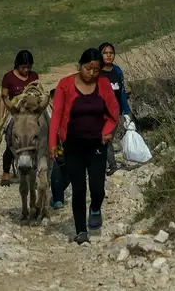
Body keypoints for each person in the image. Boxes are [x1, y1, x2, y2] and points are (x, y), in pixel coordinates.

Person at [49, 48, 119, 244]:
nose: (92, 74)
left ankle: (95, 208)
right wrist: (52, 142)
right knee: (79, 187)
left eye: (96, 70)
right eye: (88, 69)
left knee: (97, 188)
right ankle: (81, 231)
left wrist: (107, 131)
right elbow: (56, 116)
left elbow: (114, 111)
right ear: (80, 65)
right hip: (73, 144)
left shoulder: (103, 85)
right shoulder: (65, 85)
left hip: (97, 143)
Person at [0, 50, 39, 186]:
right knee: (11, 140)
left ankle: (35, 169)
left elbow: (37, 93)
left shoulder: (34, 76)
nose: (26, 70)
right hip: (15, 112)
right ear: (18, 65)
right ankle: (6, 174)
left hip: (30, 112)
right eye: (24, 67)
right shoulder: (8, 77)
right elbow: (4, 98)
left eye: (29, 67)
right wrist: (2, 117)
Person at [97, 42, 131, 176]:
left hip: (113, 113)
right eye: (105, 53)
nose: (108, 55)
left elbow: (122, 93)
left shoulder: (117, 71)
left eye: (111, 53)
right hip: (98, 112)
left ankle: (111, 165)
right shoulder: (96, 72)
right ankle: (101, 164)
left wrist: (127, 112)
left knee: (107, 138)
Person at [46, 89, 70, 210]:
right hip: (52, 149)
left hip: (66, 149)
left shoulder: (68, 112)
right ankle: (58, 199)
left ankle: (56, 196)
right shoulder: (47, 114)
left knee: (68, 175)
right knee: (56, 173)